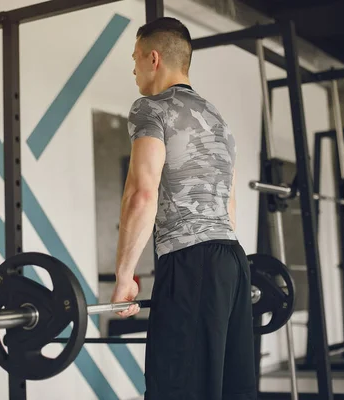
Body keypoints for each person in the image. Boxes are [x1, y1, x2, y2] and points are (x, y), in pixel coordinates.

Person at [110, 16, 257, 400]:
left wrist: (124, 277)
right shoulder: (218, 120)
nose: (134, 68)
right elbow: (229, 203)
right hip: (233, 262)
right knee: (229, 389)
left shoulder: (150, 109)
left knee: (177, 388)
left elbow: (142, 193)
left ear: (153, 58)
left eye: (136, 58)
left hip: (191, 264)